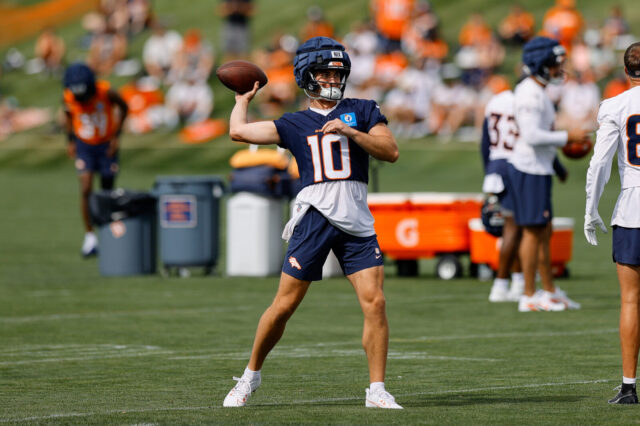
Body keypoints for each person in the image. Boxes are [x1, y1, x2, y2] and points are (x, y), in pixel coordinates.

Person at [222, 36, 401, 409]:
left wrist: (352, 132)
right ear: (306, 75)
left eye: (338, 72)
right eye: (325, 72)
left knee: (376, 303)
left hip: (356, 220)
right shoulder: (295, 122)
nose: (333, 79)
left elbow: (391, 151)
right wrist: (242, 101)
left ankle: (377, 389)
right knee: (284, 305)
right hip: (315, 218)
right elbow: (239, 132)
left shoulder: (363, 110)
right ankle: (250, 376)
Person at [506, 37, 585, 312]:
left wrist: (558, 167)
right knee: (532, 232)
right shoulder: (529, 93)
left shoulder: (538, 91)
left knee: (544, 230)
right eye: (555, 64)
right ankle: (528, 294)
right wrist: (568, 136)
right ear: (541, 64)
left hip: (538, 167)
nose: (559, 69)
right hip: (528, 168)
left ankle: (548, 289)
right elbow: (531, 135)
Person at [584, 41, 640, 404]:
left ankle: (629, 387)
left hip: (632, 208)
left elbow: (600, 163)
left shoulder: (617, 105)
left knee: (631, 301)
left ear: (625, 71)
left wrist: (591, 209)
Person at [62, 63, 128, 257]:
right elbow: (67, 115)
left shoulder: (105, 92)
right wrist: (70, 140)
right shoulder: (68, 96)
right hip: (84, 145)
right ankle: (89, 236)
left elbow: (123, 107)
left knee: (107, 190)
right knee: (86, 187)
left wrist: (117, 136)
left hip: (106, 144)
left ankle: (107, 234)